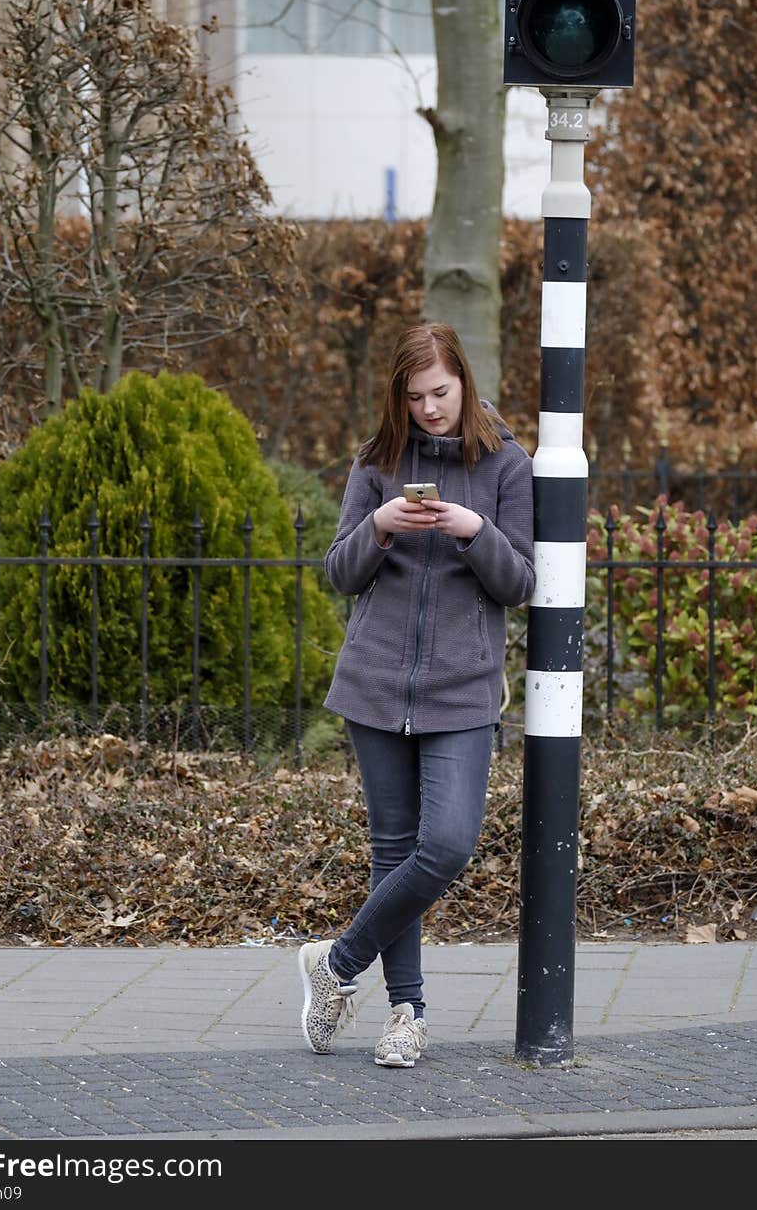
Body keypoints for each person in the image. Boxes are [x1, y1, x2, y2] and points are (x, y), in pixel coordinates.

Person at [298, 321, 535, 1068]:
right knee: (393, 850)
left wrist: (473, 530)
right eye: (416, 396)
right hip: (374, 687)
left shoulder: (508, 466)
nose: (431, 408)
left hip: (462, 693)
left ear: (464, 380)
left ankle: (335, 964)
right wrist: (379, 525)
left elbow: (521, 583)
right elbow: (338, 572)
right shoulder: (376, 463)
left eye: (441, 391)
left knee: (447, 846)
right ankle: (406, 1016)